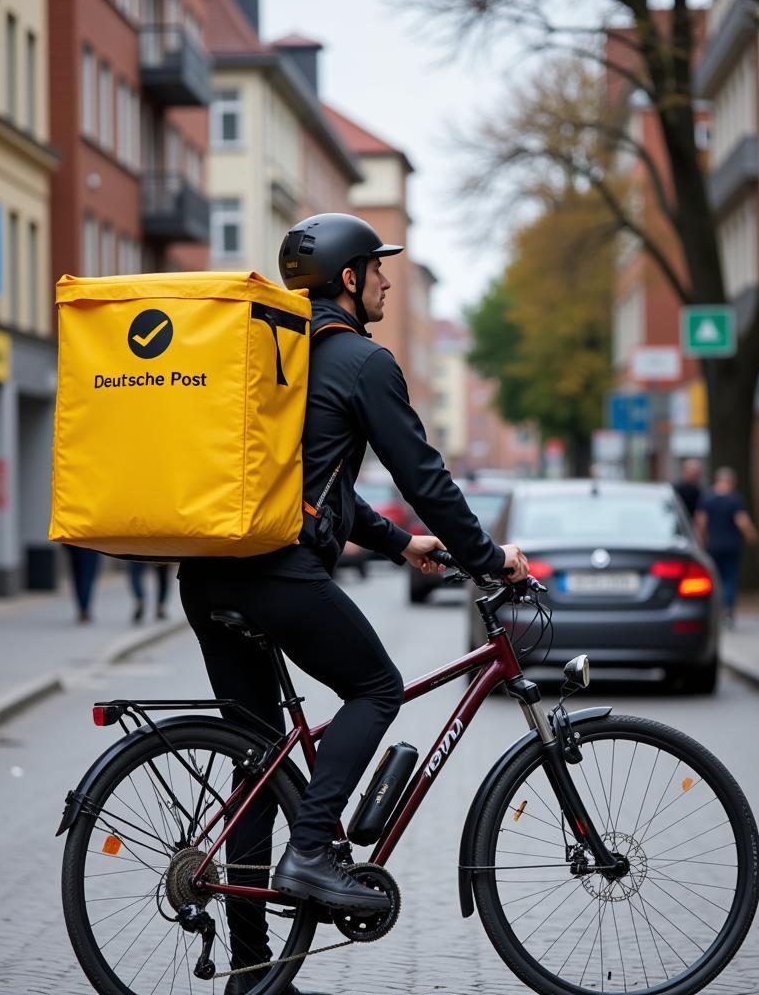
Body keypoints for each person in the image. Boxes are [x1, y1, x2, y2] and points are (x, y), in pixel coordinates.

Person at [177, 213, 527, 989]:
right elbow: (423, 477)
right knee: (375, 687)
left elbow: (314, 483)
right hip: (277, 572)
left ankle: (252, 970)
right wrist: (487, 559)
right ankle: (311, 853)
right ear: (346, 279)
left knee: (257, 763)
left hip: (208, 573)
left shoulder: (275, 356)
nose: (387, 281)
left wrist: (401, 546)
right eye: (377, 269)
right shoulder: (363, 361)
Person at [694, 467, 758, 625]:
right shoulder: (734, 499)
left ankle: (718, 607)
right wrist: (752, 535)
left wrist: (700, 540)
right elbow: (741, 520)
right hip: (731, 545)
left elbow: (701, 521)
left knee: (716, 578)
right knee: (730, 577)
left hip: (713, 545)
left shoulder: (707, 497)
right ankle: (728, 607)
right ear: (732, 481)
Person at [65, 545, 100, 623]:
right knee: (87, 577)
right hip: (92, 544)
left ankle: (83, 608)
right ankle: (84, 608)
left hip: (76, 543)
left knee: (78, 577)